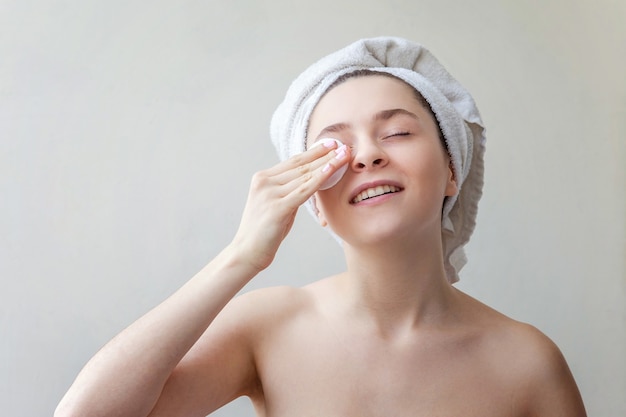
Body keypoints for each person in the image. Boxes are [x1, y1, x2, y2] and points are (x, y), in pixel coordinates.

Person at [55, 37, 586, 417]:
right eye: (335, 146)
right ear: (311, 197)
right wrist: (241, 256)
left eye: (397, 131)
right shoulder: (267, 327)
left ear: (453, 170)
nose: (368, 156)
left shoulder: (527, 361)